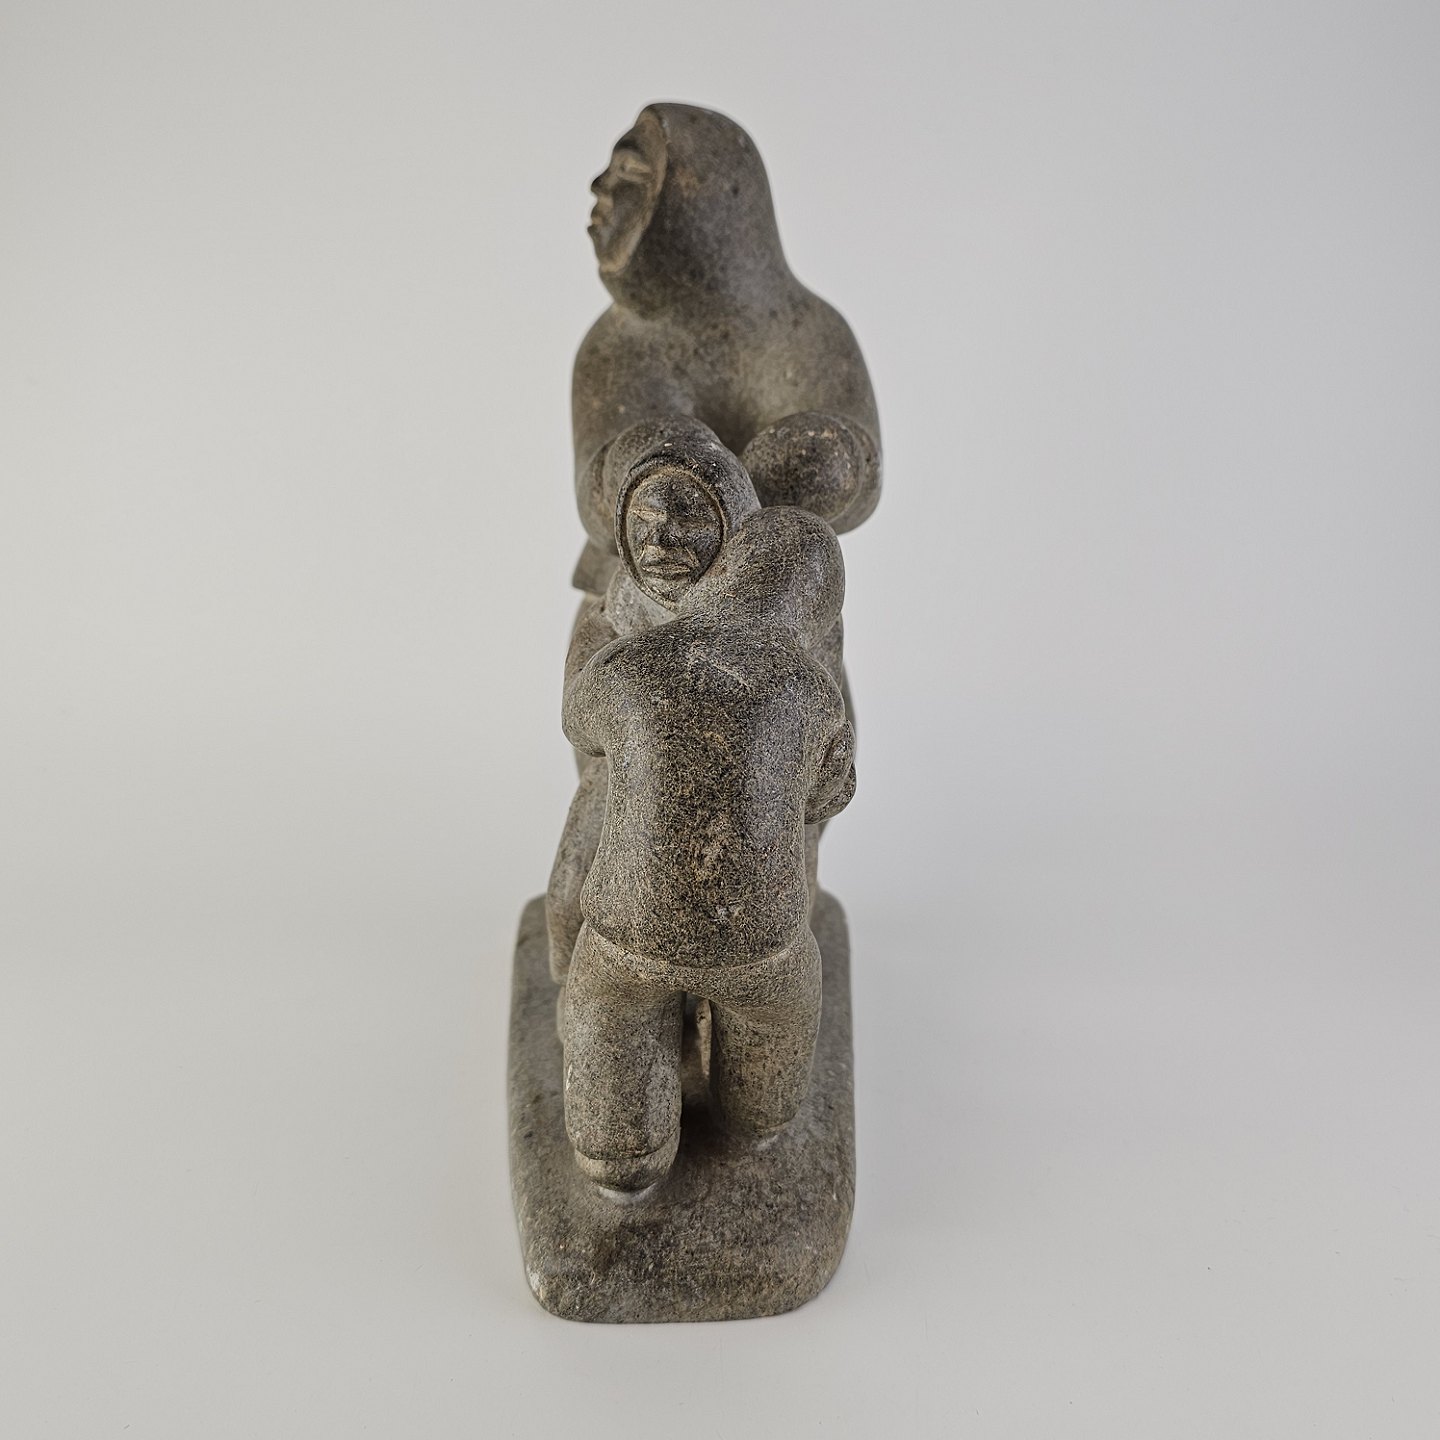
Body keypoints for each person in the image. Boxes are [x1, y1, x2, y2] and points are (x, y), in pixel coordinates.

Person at [557, 505, 856, 1193]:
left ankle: (620, 1156)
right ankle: (755, 1121)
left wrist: (601, 642)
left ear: (724, 575)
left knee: (611, 1020)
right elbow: (826, 797)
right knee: (769, 1056)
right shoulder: (813, 691)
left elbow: (579, 723)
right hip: (763, 947)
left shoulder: (629, 664)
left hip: (629, 936)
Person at [572, 103, 882, 600]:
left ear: (704, 204)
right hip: (629, 601)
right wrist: (655, 468)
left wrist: (825, 458)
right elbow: (597, 499)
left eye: (630, 170)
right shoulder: (614, 349)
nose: (600, 186)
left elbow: (859, 472)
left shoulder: (807, 334)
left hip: (777, 592)